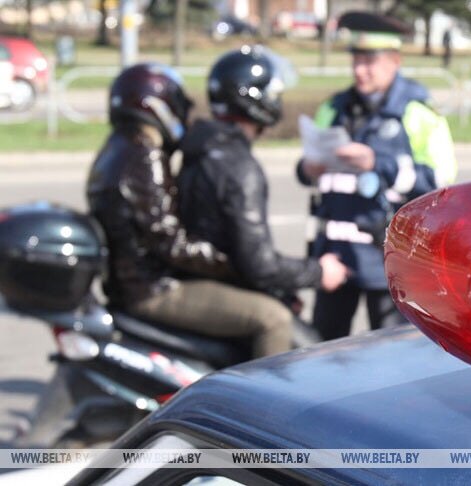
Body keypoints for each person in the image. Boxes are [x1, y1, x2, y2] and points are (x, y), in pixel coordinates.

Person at [87, 63, 310, 358]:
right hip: (154, 289)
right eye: (176, 104)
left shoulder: (117, 151)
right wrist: (237, 269)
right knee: (273, 320)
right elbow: (172, 242)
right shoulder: (144, 157)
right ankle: (260, 403)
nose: (183, 113)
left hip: (131, 284)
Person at [297, 11, 458, 341]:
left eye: (369, 62)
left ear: (394, 62)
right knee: (323, 350)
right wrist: (306, 168)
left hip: (388, 257)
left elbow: (441, 182)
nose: (359, 70)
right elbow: (307, 169)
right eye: (356, 61)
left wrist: (378, 163)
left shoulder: (419, 114)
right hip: (334, 256)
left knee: (389, 356)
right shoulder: (334, 108)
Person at [177, 46, 348, 336]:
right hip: (220, 284)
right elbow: (259, 263)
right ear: (253, 98)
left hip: (212, 278)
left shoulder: (202, 145)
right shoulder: (240, 167)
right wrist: (319, 272)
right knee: (291, 335)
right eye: (272, 93)